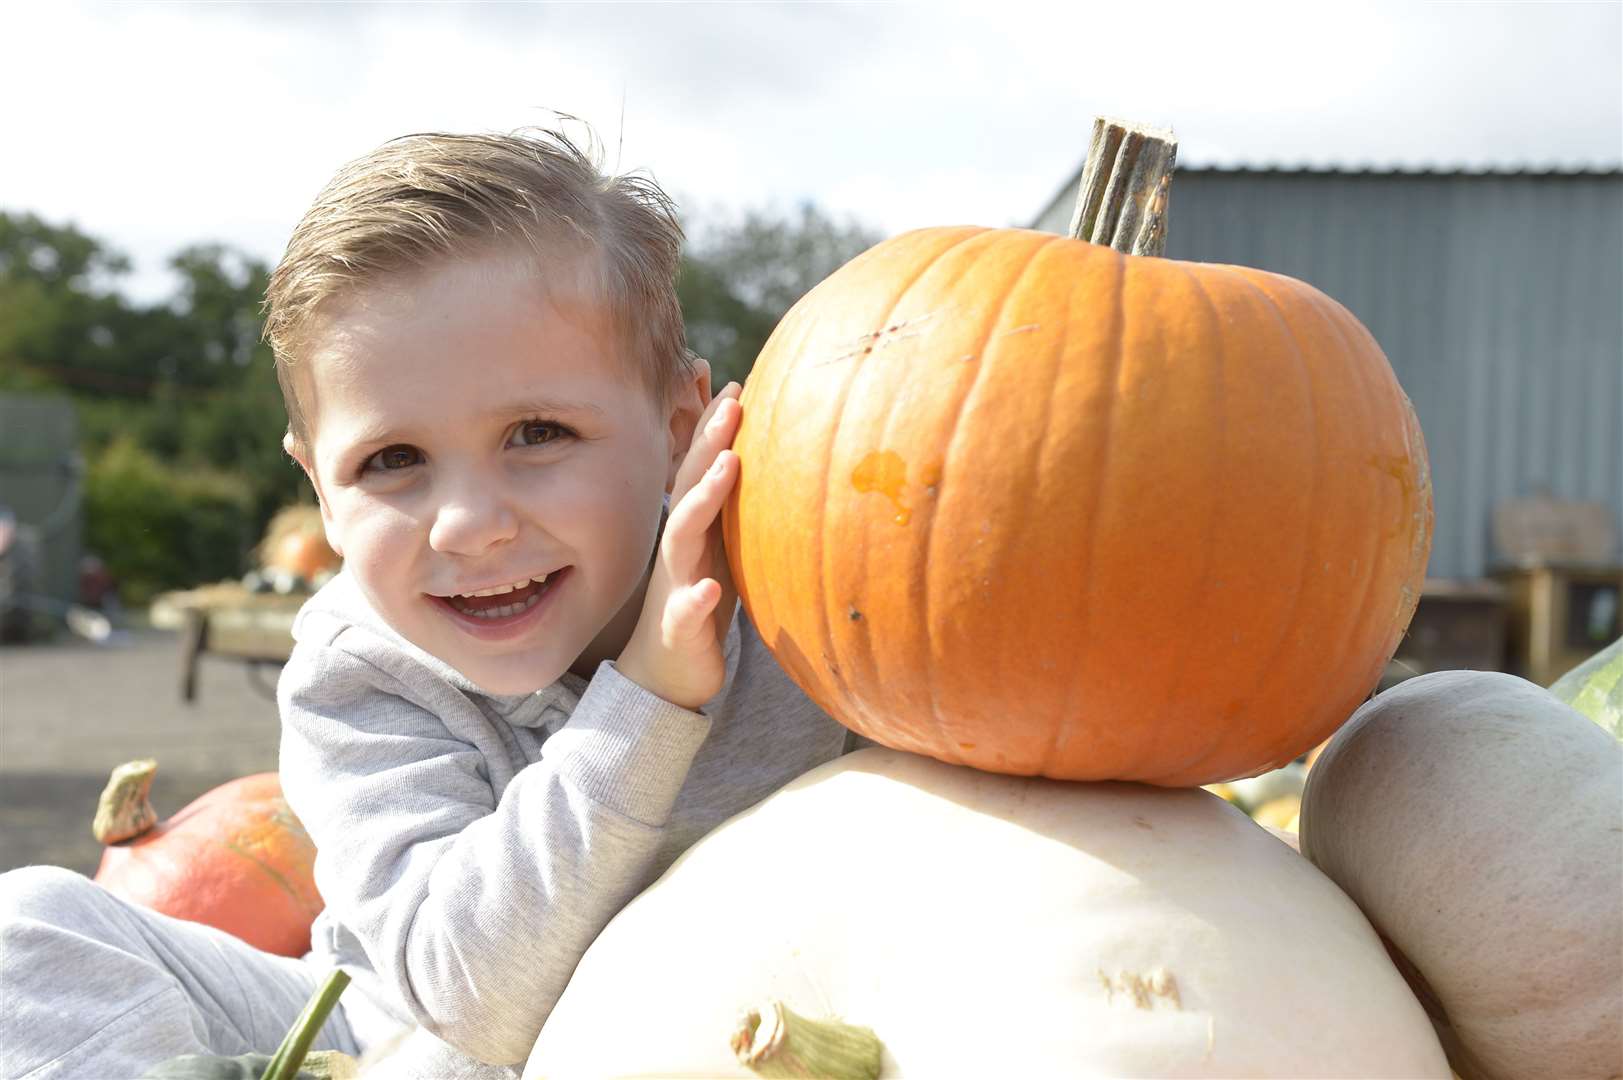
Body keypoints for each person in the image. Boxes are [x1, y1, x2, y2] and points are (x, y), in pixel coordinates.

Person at [0, 127, 854, 1079]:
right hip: (385, 1038)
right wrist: (648, 702)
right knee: (26, 930)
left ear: (680, 427)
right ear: (320, 490)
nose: (467, 525)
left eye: (538, 433)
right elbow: (473, 1002)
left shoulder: (808, 590)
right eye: (391, 461)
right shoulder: (359, 667)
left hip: (757, 1032)